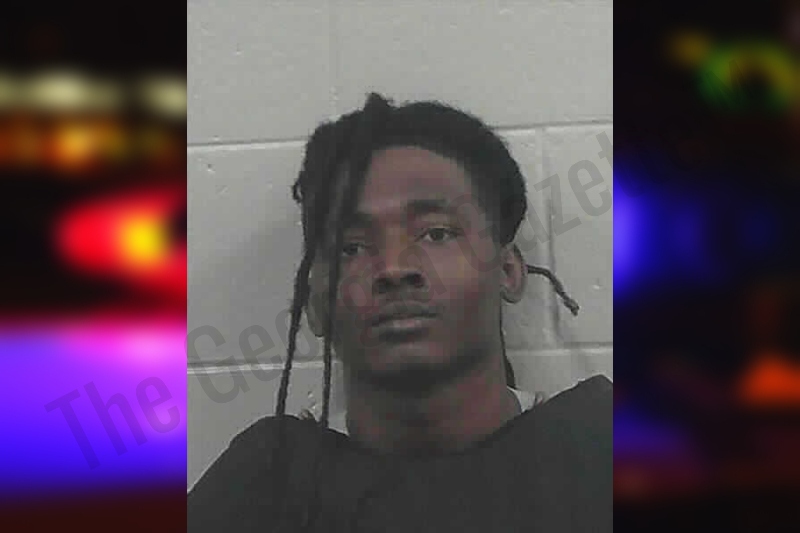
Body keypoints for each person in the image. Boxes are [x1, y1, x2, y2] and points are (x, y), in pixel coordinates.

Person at [188, 93, 612, 532]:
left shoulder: (602, 444)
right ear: (315, 304)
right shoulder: (266, 486)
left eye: (436, 234)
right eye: (351, 248)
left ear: (507, 271)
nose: (393, 268)